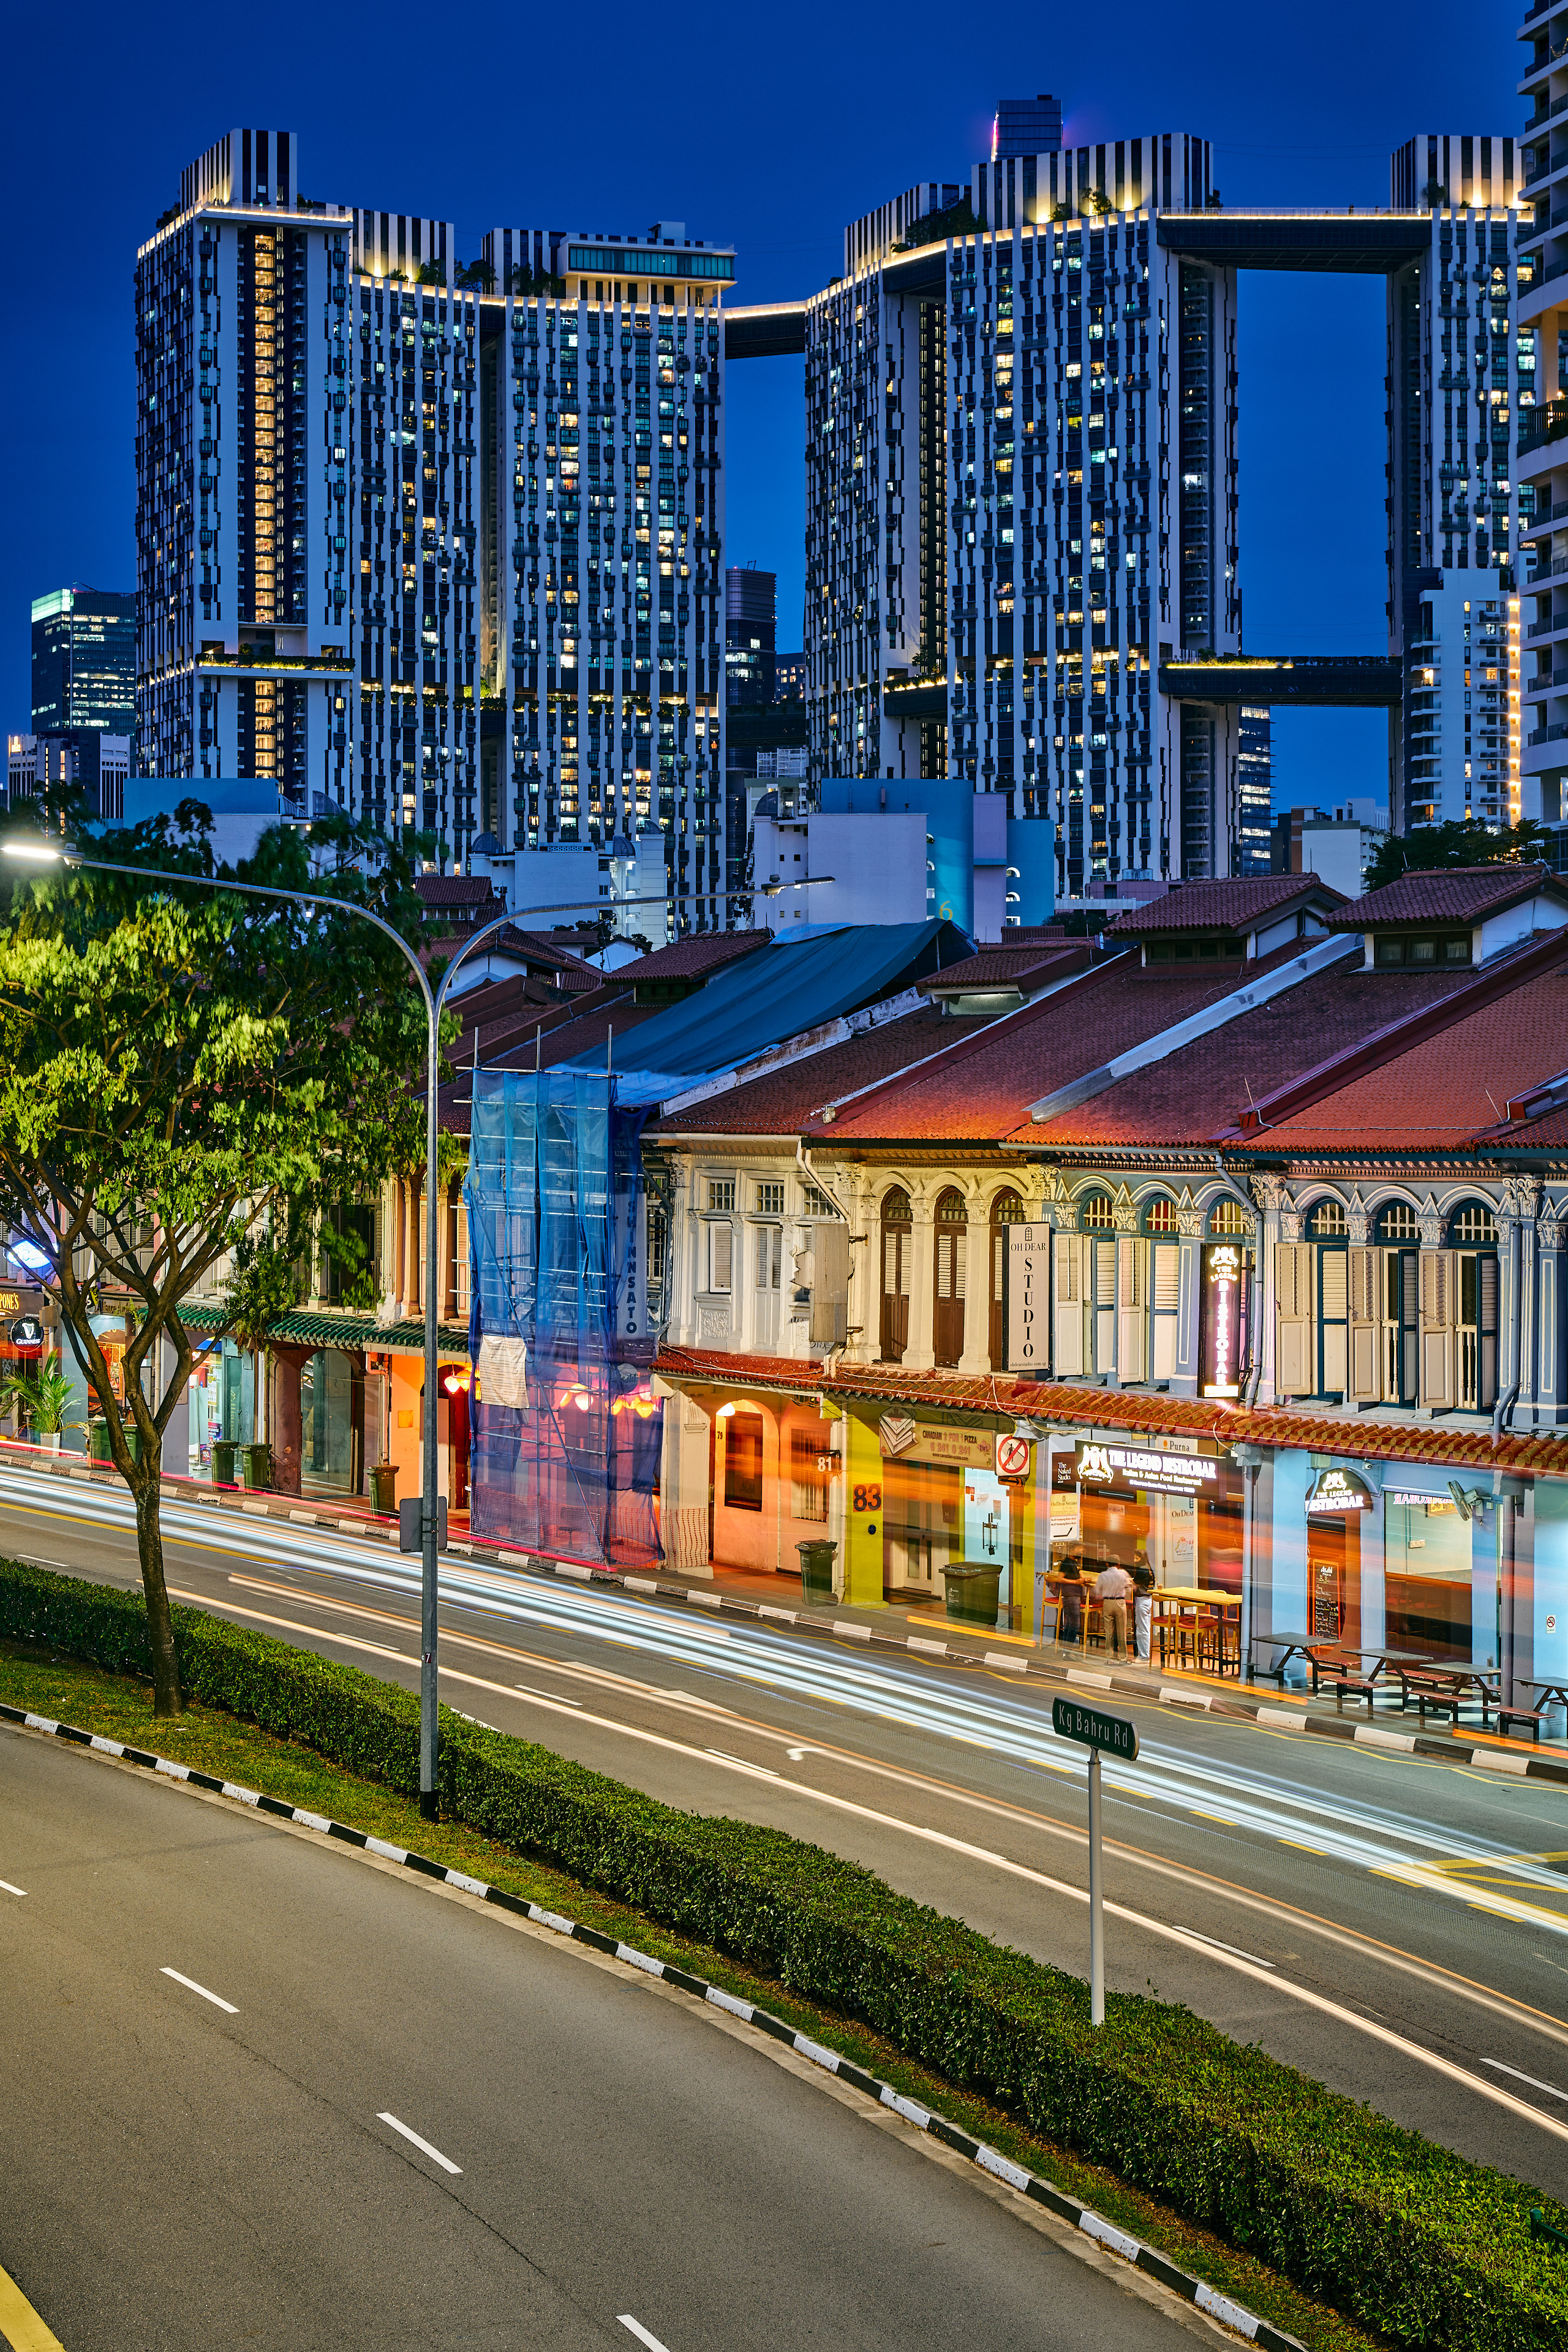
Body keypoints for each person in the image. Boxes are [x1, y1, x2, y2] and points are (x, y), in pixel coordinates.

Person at [1092, 1558, 1134, 1660]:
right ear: (1119, 1564)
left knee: (1109, 1633)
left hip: (1107, 1602)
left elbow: (1097, 1590)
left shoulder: (1102, 1575)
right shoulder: (1123, 1573)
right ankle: (1123, 1658)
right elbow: (1132, 1586)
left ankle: (1110, 1658)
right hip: (1120, 1602)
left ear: (1107, 1564)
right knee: (1121, 1633)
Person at [1131, 1547, 1156, 1664]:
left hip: (1142, 1600)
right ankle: (1144, 1654)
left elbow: (1134, 1583)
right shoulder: (1149, 1568)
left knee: (1142, 1629)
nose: (1134, 1560)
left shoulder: (1142, 1569)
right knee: (1143, 1628)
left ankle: (1144, 1656)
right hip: (1147, 1599)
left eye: (1137, 1558)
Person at [1055, 1553, 1083, 1644]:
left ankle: (1066, 1651)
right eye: (1080, 1550)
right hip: (1071, 1597)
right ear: (1072, 1550)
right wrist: (1076, 1582)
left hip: (1073, 1596)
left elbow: (1080, 1573)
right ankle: (1067, 1652)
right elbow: (1059, 1579)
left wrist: (1083, 1579)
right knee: (1074, 1626)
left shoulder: (1074, 1563)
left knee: (1070, 1624)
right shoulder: (1067, 1563)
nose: (1082, 1552)